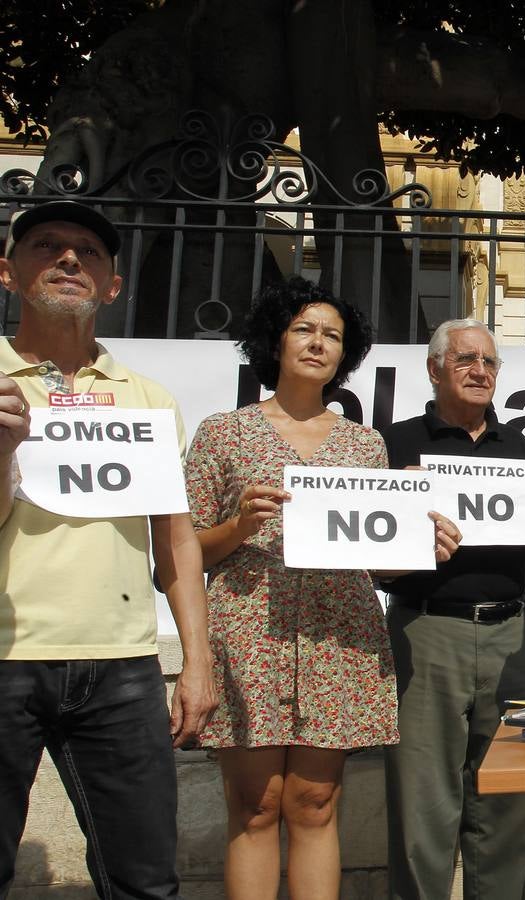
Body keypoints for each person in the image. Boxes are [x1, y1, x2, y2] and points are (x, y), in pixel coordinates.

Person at [183, 277, 458, 900]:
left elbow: (380, 565)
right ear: (274, 341)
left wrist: (421, 549)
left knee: (314, 802)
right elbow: (182, 551)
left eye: (332, 335)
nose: (318, 343)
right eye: (304, 329)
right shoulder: (222, 433)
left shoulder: (366, 444)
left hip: (340, 637)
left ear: (346, 354)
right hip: (251, 631)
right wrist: (237, 524)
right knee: (256, 805)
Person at [0, 200, 217, 898]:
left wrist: (196, 662)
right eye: (47, 246)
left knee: (146, 881)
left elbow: (175, 535)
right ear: (8, 272)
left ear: (112, 287)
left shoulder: (149, 400)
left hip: (122, 667)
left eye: (89, 253)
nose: (69, 260)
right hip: (4, 659)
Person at [382, 318, 525, 900]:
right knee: (423, 802)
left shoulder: (518, 447)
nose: (480, 371)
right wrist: (402, 509)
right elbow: (369, 553)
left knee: (507, 803)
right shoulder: (395, 442)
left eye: (489, 362)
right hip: (428, 629)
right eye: (465, 360)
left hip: (514, 632)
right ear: (434, 369)